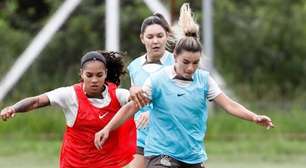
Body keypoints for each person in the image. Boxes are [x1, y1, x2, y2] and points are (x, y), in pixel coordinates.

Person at [94, 3, 274, 168]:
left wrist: (253, 117)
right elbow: (131, 108)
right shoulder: (158, 79)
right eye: (186, 62)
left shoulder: (203, 79)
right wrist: (107, 128)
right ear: (175, 58)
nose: (190, 68)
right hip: (160, 151)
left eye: (195, 63)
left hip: (192, 155)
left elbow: (229, 104)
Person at [0, 51, 136, 168]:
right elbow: (36, 101)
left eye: (99, 75)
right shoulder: (69, 95)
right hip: (74, 163)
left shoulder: (118, 95)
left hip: (106, 163)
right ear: (81, 74)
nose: (94, 80)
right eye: (89, 75)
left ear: (106, 73)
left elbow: (138, 101)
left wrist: (137, 92)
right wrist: (13, 108)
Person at [127, 13, 175, 168]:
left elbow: (182, 99)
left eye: (160, 36)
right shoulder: (134, 66)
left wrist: (153, 113)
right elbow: (135, 102)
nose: (155, 41)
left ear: (167, 36)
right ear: (142, 38)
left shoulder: (177, 63)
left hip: (170, 136)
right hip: (142, 136)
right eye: (150, 36)